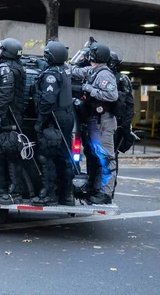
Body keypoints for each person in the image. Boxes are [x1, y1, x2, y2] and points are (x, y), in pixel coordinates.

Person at [70, 41, 118, 204]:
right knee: (96, 157)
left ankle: (105, 193)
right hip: (95, 122)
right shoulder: (93, 70)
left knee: (106, 158)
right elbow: (75, 71)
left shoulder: (105, 74)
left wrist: (90, 90)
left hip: (103, 123)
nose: (87, 56)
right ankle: (96, 188)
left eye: (89, 54)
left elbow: (112, 95)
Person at [30, 41, 75, 206]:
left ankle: (49, 195)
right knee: (65, 157)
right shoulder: (65, 69)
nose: (45, 56)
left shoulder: (51, 76)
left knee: (48, 157)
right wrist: (39, 62)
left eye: (47, 54)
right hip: (67, 116)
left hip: (54, 120)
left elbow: (47, 101)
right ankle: (67, 195)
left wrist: (40, 121)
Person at [0, 38, 27, 205]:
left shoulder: (6, 70)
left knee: (10, 156)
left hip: (7, 117)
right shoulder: (17, 66)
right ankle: (3, 190)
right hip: (13, 116)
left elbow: (5, 94)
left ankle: (13, 192)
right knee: (2, 155)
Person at [108, 52, 135, 182]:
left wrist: (126, 127)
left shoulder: (121, 79)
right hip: (108, 124)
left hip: (115, 125)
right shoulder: (99, 76)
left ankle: (108, 187)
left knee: (110, 157)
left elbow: (129, 105)